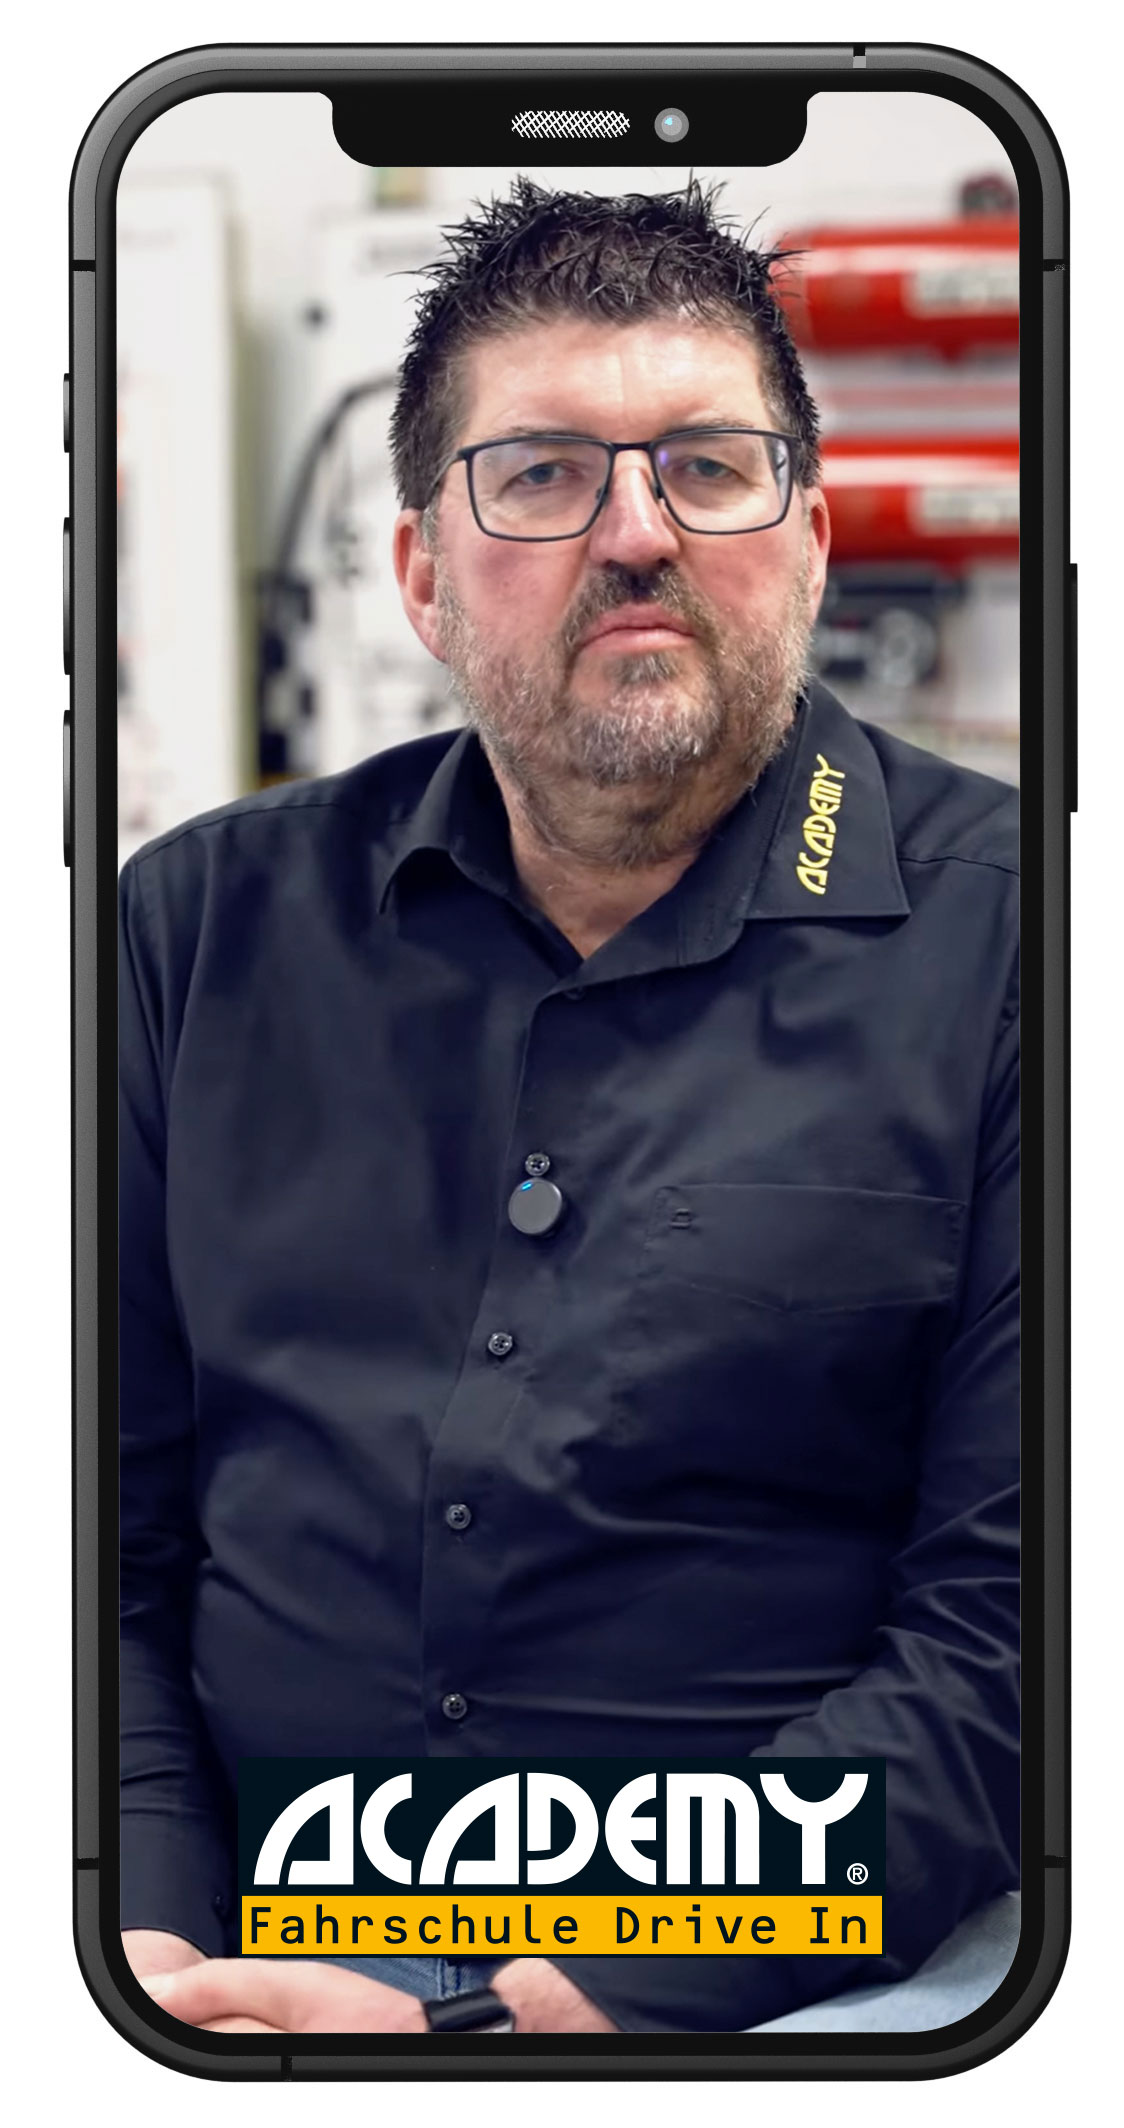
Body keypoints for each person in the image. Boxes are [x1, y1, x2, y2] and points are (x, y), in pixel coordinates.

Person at [119, 177, 1019, 2037]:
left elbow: (1021, 1642)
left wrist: (540, 2003)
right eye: (539, 475)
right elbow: (89, 1554)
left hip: (800, 1994)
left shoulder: (1033, 945)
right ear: (423, 576)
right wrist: (148, 1955)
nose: (637, 532)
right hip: (236, 1970)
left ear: (813, 541)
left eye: (708, 467)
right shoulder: (193, 932)